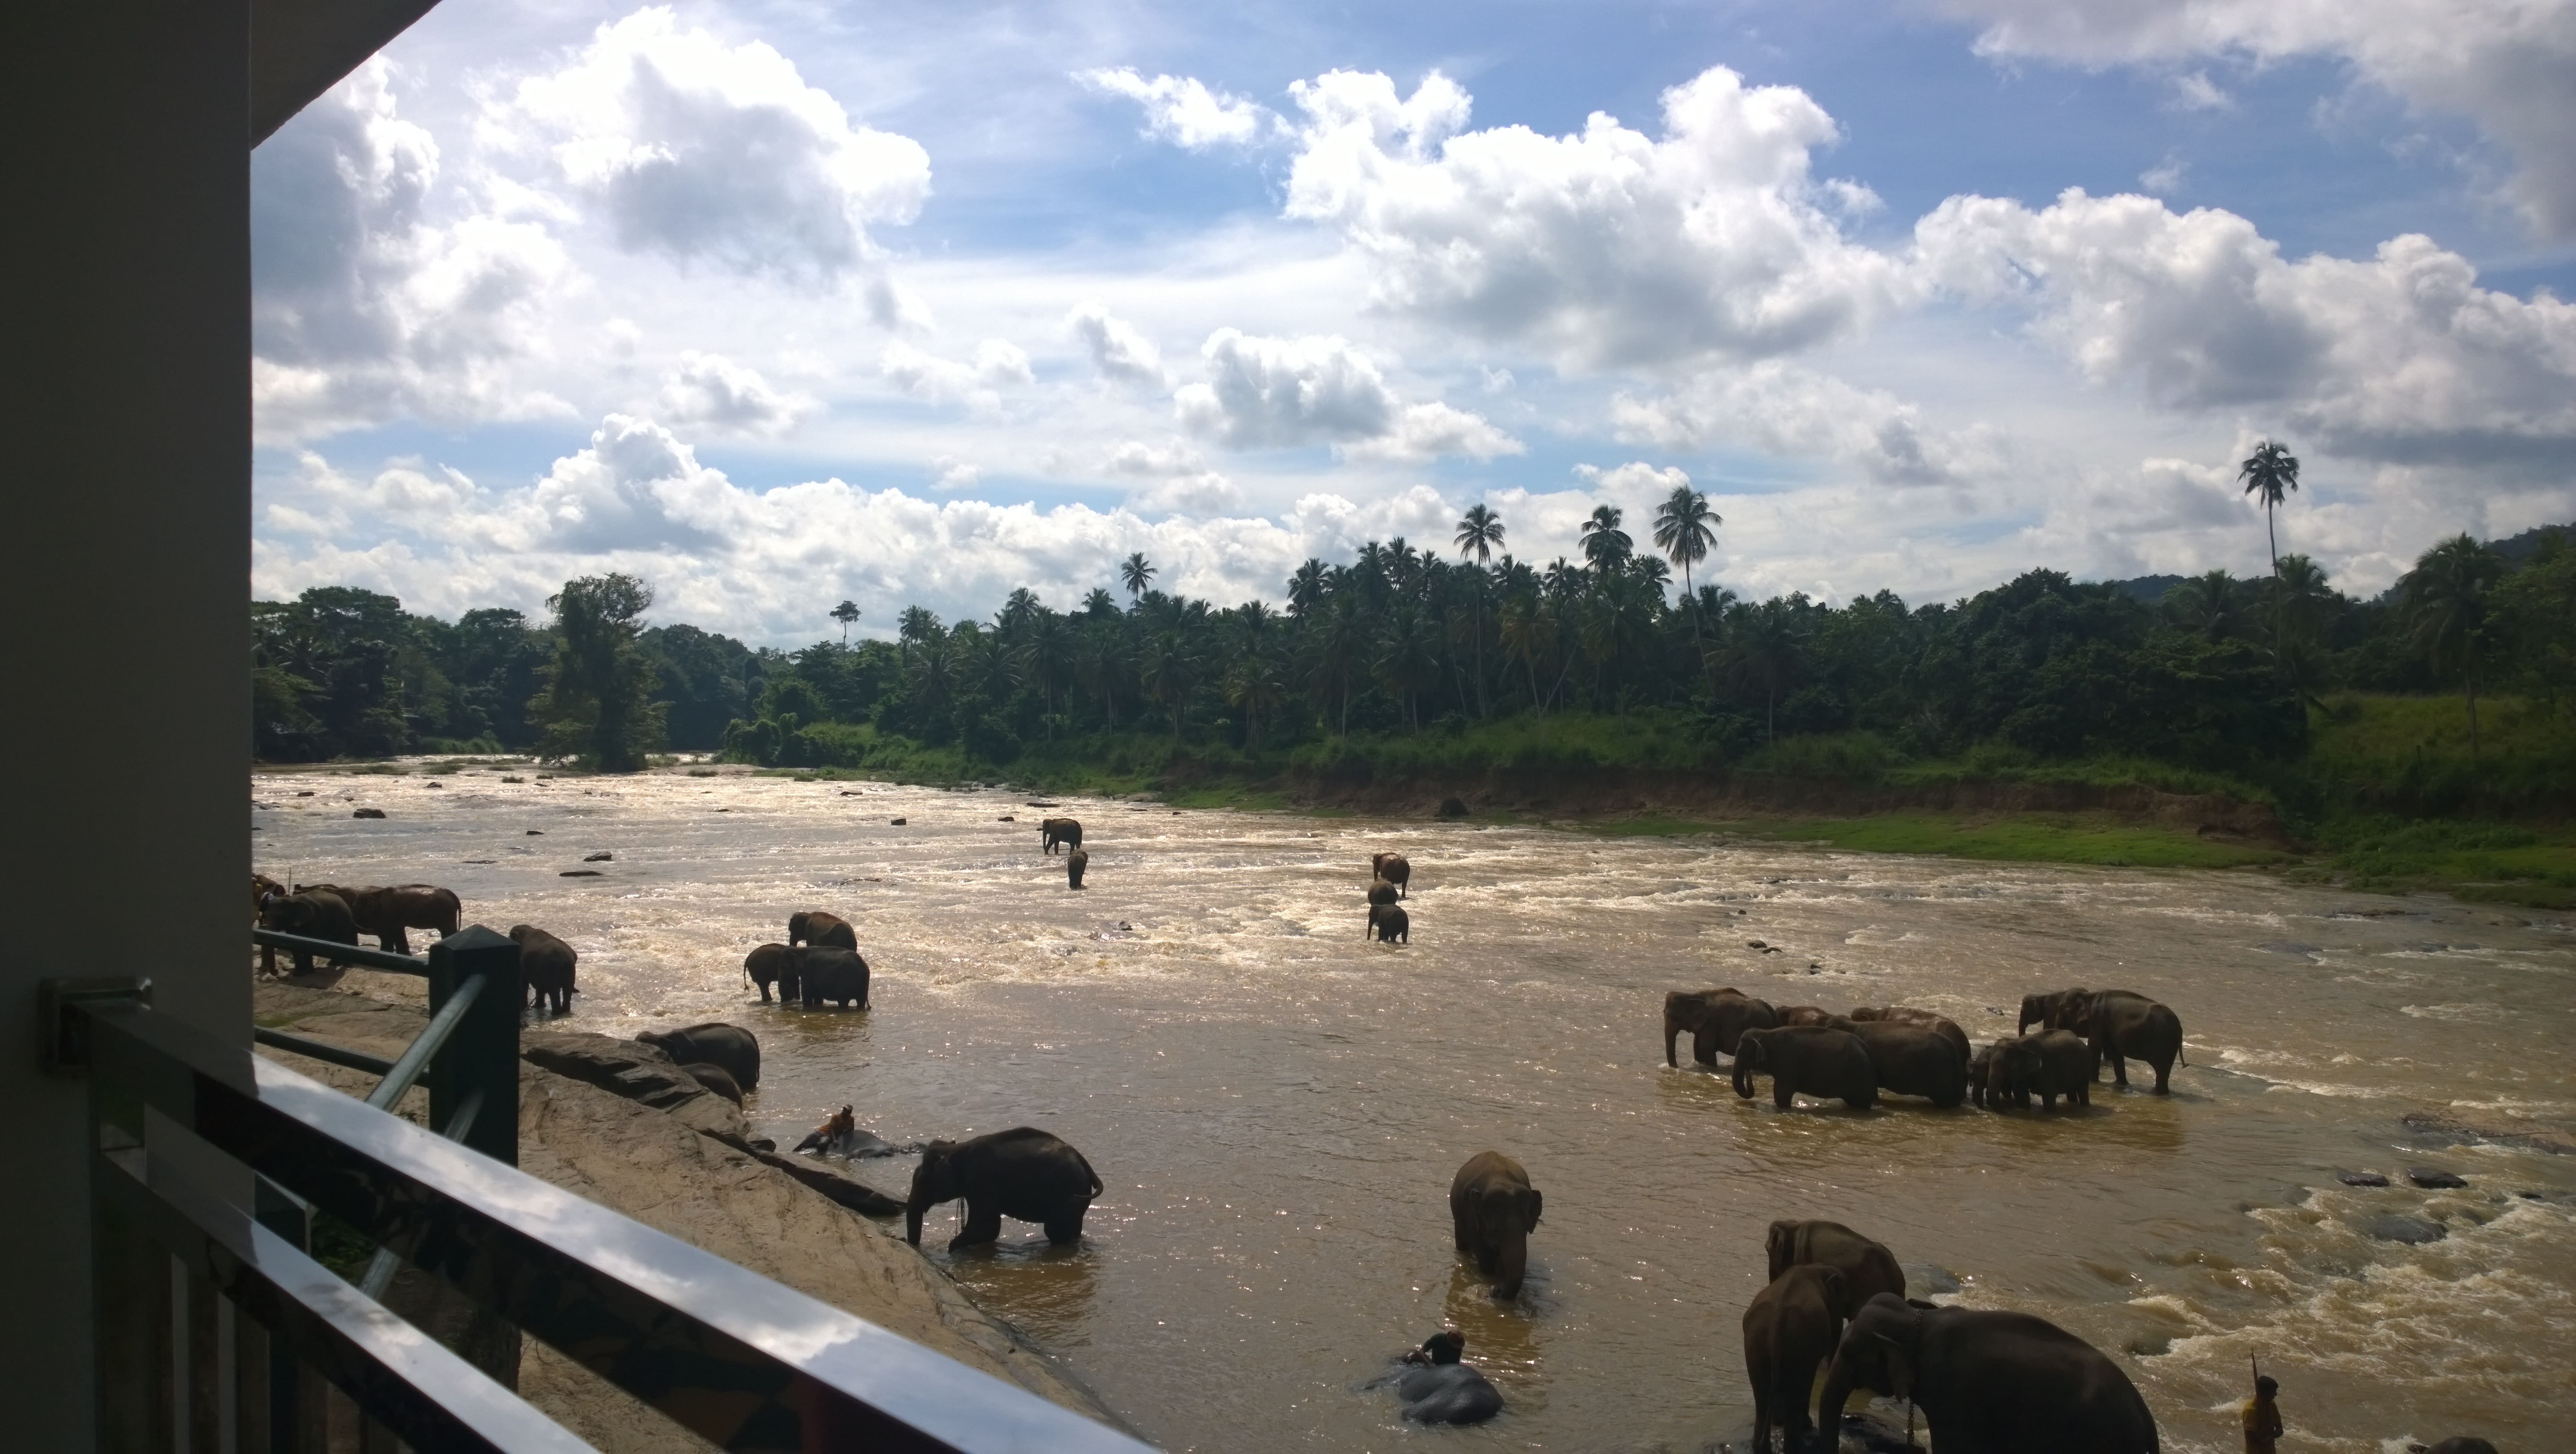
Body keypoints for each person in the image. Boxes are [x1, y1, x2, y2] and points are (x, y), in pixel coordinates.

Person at [2241, 1374, 2283, 1453]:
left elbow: (2280, 1429)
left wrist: (2271, 1437)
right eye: (2273, 1392)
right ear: (2264, 1393)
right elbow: (2252, 1440)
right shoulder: (2250, 1410)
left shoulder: (2272, 1405)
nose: (2276, 1395)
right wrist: (2268, 1425)